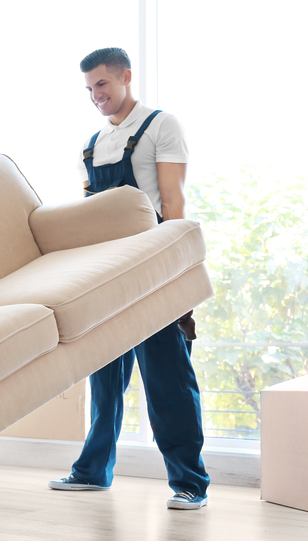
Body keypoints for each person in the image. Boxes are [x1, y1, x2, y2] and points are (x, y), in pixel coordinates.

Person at [47, 48, 210, 510]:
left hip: (153, 268)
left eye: (102, 85)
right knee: (104, 377)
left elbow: (173, 203)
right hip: (107, 273)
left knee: (167, 377)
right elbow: (90, 219)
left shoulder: (161, 126)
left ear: (125, 77)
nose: (96, 96)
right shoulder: (91, 146)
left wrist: (176, 274)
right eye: (89, 89)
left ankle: (190, 483)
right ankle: (93, 472)